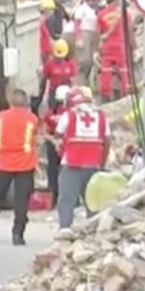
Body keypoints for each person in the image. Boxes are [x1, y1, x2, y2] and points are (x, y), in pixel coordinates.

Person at [0, 88, 39, 245]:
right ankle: (18, 235)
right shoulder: (32, 119)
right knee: (21, 201)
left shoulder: (0, 117)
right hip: (25, 164)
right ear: (26, 102)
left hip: (4, 163)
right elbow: (34, 136)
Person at [55, 87, 111, 230]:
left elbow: (58, 136)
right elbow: (107, 141)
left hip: (72, 164)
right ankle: (93, 231)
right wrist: (102, 164)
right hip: (93, 164)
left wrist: (62, 152)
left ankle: (65, 229)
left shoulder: (69, 115)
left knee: (67, 200)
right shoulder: (101, 115)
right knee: (93, 201)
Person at [97, 0, 132, 101]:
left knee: (106, 71)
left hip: (107, 46)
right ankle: (126, 93)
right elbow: (130, 30)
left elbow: (99, 33)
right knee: (123, 70)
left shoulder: (101, 15)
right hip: (120, 45)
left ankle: (105, 95)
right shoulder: (124, 13)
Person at [42, 85, 70, 208]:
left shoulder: (50, 113)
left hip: (53, 145)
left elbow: (44, 132)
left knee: (52, 172)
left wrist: (53, 140)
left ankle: (53, 198)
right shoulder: (70, 113)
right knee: (67, 172)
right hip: (67, 146)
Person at [73, 0, 103, 85]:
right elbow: (77, 24)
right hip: (84, 34)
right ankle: (78, 83)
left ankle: (86, 83)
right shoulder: (82, 9)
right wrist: (78, 38)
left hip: (93, 35)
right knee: (84, 61)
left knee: (91, 62)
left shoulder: (96, 11)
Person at [41, 39, 77, 109]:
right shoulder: (49, 64)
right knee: (53, 110)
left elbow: (74, 79)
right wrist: (42, 91)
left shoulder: (71, 64)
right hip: (54, 91)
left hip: (66, 92)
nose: (59, 58)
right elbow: (44, 78)